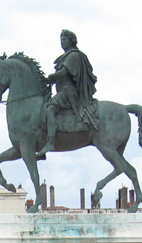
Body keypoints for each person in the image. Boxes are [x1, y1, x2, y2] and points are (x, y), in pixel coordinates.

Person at [37, 29, 98, 157]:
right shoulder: (67, 56)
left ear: (72, 41)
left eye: (64, 39)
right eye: (61, 40)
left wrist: (50, 78)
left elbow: (63, 73)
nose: (62, 42)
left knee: (50, 110)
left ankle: (50, 142)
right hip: (63, 91)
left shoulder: (73, 55)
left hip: (68, 92)